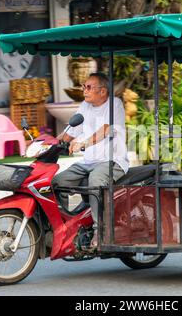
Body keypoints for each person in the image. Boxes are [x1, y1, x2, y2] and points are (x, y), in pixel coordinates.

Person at [52, 72, 129, 250]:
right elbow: (70, 132)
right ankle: (65, 227)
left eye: (88, 87)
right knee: (56, 182)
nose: (84, 90)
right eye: (83, 86)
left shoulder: (114, 105)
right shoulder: (85, 106)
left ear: (102, 91)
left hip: (112, 160)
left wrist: (84, 143)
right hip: (87, 163)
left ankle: (100, 231)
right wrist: (49, 144)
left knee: (95, 182)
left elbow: (106, 130)